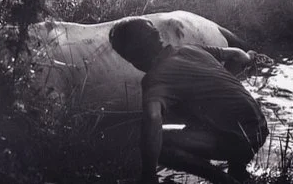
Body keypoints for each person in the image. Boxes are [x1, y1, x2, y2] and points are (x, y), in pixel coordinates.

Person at [108, 18, 269, 184]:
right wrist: (248, 58)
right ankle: (239, 171)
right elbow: (236, 55)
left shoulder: (155, 78)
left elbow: (153, 118)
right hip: (260, 128)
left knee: (161, 145)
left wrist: (148, 175)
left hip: (241, 139)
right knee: (207, 115)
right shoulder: (190, 49)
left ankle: (224, 180)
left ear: (134, 57)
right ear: (157, 39)